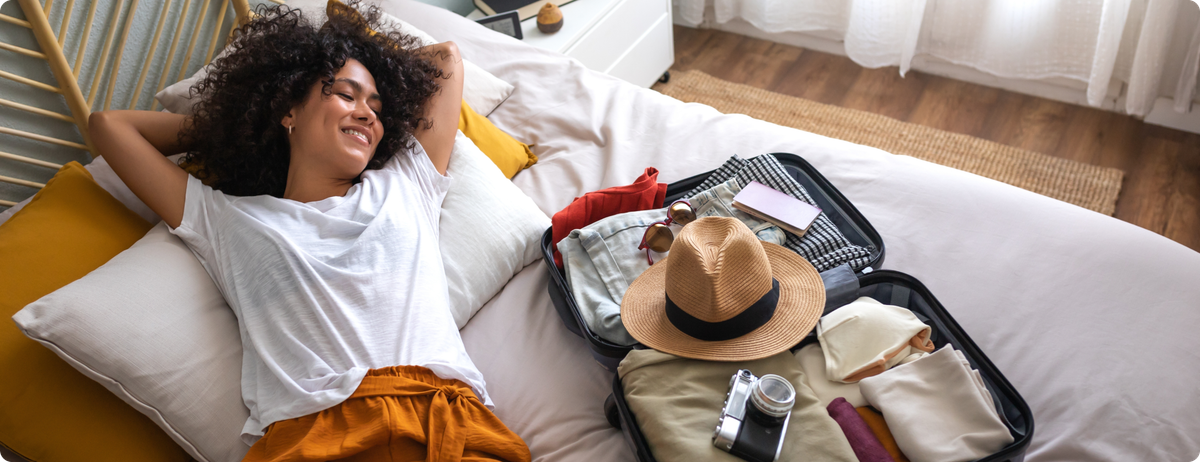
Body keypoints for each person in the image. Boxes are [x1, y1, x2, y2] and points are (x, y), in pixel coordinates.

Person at [88, 2, 531, 461]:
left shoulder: (406, 182)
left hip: (444, 424)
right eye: (346, 94)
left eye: (377, 107)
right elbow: (109, 127)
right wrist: (238, 124)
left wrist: (359, 69)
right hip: (316, 439)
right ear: (289, 111)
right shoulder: (227, 220)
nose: (367, 115)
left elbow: (445, 59)